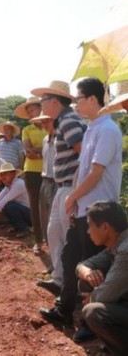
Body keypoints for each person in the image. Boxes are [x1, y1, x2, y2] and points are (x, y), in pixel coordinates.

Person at [42, 78, 123, 341]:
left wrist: (74, 194)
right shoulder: (91, 129)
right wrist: (73, 198)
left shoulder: (108, 130)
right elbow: (82, 168)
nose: (75, 103)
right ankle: (64, 309)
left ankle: (90, 321)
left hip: (99, 209)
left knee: (92, 267)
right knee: (70, 258)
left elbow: (97, 173)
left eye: (79, 98)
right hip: (82, 207)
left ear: (92, 99)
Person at [29, 81, 86, 326]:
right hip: (62, 186)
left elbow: (84, 152)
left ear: (55, 101)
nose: (41, 107)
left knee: (67, 238)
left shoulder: (69, 120)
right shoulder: (64, 120)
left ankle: (71, 293)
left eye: (43, 102)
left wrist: (76, 188)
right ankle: (60, 279)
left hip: (69, 187)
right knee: (54, 232)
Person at [76, 201, 128, 355]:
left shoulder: (125, 250)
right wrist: (87, 273)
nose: (88, 231)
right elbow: (83, 265)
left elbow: (104, 295)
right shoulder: (116, 244)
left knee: (94, 312)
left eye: (90, 225)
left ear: (105, 227)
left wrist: (92, 297)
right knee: (86, 280)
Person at [15, 97, 48, 255]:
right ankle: (39, 241)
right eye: (28, 112)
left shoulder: (49, 125)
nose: (30, 114)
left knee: (50, 206)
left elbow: (52, 147)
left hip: (49, 171)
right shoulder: (27, 129)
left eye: (32, 110)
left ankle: (51, 239)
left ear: (41, 109)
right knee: (35, 206)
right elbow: (28, 152)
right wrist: (42, 150)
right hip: (32, 171)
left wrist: (39, 151)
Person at [29, 111, 57, 254]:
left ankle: (58, 262)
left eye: (47, 121)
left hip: (56, 182)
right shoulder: (46, 139)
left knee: (55, 224)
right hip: (45, 180)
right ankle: (53, 258)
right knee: (45, 220)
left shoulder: (62, 138)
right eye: (43, 121)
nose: (44, 124)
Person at [0, 163, 31, 235]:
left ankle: (24, 228)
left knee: (9, 205)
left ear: (13, 174)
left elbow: (3, 201)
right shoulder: (8, 186)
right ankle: (17, 226)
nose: (3, 177)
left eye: (5, 174)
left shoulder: (18, 184)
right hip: (25, 212)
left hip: (30, 214)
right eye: (1, 174)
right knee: (5, 206)